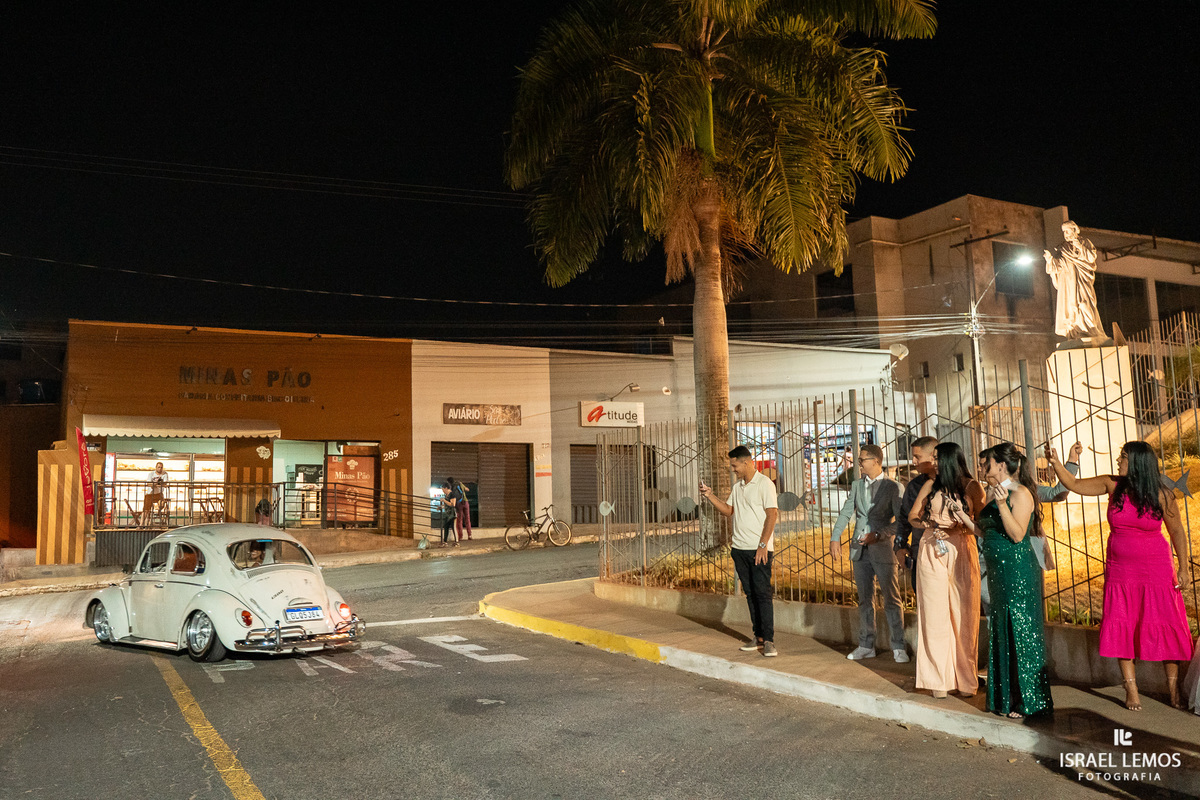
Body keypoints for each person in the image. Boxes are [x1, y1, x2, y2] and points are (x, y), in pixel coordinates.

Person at [1049, 440, 1194, 711]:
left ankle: (1173, 688)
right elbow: (1075, 485)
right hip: (1120, 571)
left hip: (1157, 570)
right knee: (1123, 625)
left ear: (1138, 462)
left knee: (1165, 624)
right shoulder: (1111, 484)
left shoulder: (1162, 494)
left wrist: (1184, 568)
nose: (1118, 461)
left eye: (1123, 457)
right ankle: (1131, 688)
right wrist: (1057, 463)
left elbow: (1177, 532)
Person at [954, 442, 1053, 718]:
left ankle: (1028, 700)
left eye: (987, 463)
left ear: (1001, 464)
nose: (982, 467)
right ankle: (1005, 697)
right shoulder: (992, 493)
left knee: (1020, 629)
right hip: (998, 572)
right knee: (1001, 626)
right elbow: (987, 533)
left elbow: (1017, 534)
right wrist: (963, 516)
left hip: (1018, 570)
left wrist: (1001, 504)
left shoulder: (1019, 493)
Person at [908, 442, 985, 698]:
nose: (935, 462)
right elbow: (912, 517)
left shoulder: (972, 487)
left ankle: (966, 680)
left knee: (965, 615)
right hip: (932, 548)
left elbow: (983, 523)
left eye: (939, 458)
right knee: (934, 614)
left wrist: (960, 525)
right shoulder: (931, 485)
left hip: (963, 548)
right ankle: (938, 680)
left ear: (952, 459)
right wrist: (929, 523)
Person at [829, 444, 907, 662]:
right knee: (864, 599)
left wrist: (879, 534)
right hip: (859, 549)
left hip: (882, 549)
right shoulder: (856, 485)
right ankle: (866, 644)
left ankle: (898, 646)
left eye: (862, 459)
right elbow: (846, 513)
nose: (859, 463)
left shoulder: (893, 487)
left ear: (875, 461)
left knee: (891, 598)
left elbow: (900, 522)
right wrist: (835, 538)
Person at [700, 445, 779, 657]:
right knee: (751, 594)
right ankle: (758, 637)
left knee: (763, 594)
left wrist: (763, 545)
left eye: (735, 465)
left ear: (746, 462)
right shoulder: (738, 487)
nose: (733, 469)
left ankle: (769, 641)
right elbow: (728, 511)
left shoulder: (764, 485)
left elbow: (772, 515)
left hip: (759, 550)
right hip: (740, 549)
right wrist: (710, 495)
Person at [1044, 219, 1105, 339]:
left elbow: (1091, 258)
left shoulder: (1084, 242)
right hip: (1069, 282)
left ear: (1074, 230)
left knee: (1084, 303)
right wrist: (1050, 259)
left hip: (1082, 279)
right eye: (1064, 232)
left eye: (1067, 231)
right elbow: (1059, 265)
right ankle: (1075, 332)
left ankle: (1091, 330)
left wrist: (1080, 247)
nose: (1066, 234)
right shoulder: (1063, 248)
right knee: (1071, 307)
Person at [895, 436, 939, 589]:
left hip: (947, 552)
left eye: (917, 457)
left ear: (933, 457)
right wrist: (899, 545)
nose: (914, 461)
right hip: (919, 553)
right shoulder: (914, 486)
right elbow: (904, 518)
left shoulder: (954, 483)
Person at [450, 476, 473, 542]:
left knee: (459, 520)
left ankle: (460, 536)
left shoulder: (451, 487)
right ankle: (469, 535)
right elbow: (467, 489)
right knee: (467, 519)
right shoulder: (459, 483)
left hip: (458, 504)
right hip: (465, 502)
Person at [439, 483, 458, 548]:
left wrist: (444, 500)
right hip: (447, 514)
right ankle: (445, 541)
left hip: (452, 514)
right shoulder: (446, 495)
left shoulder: (452, 494)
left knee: (453, 527)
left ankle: (457, 542)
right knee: (446, 527)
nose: (443, 491)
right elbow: (446, 505)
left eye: (443, 489)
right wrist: (441, 507)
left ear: (446, 488)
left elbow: (453, 504)